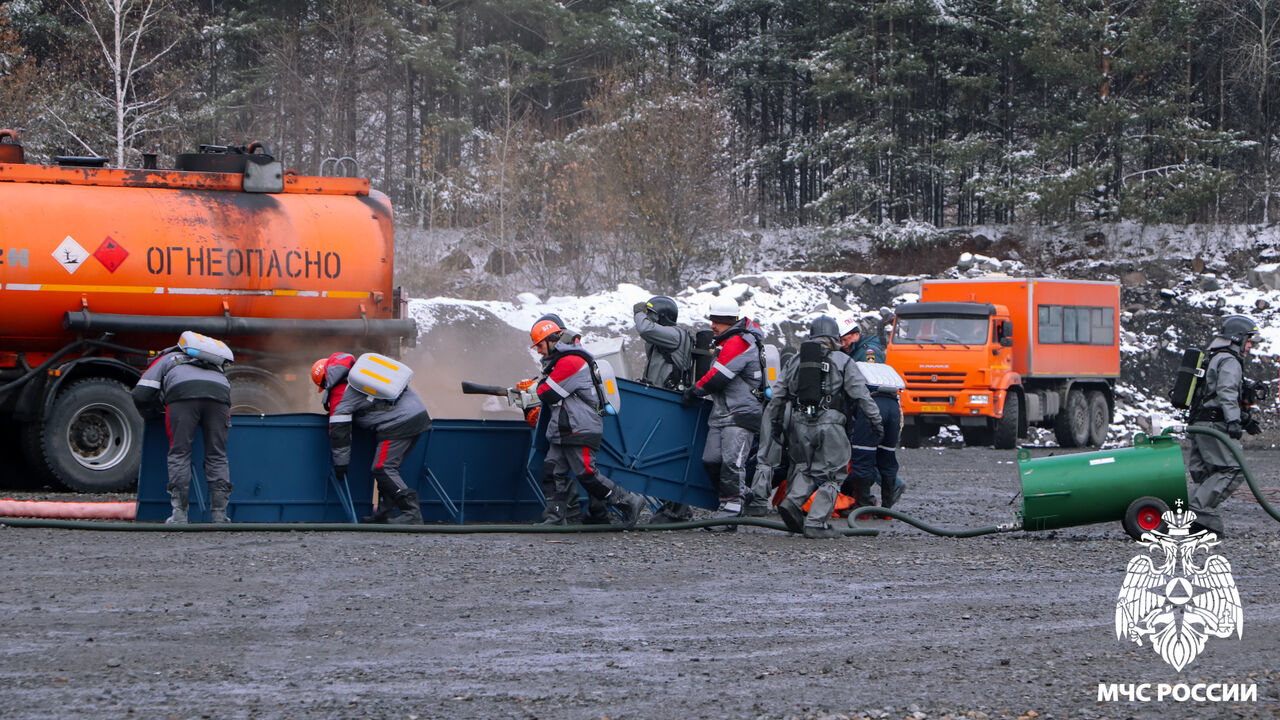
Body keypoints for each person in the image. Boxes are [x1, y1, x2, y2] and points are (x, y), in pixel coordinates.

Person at [756, 316, 882, 538]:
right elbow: (861, 394)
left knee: (806, 468)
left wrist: (774, 424)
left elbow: (778, 396)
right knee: (833, 474)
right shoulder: (842, 360)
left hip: (799, 424)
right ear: (834, 337)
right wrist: (876, 421)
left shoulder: (795, 361)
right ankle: (816, 523)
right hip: (831, 424)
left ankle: (792, 501)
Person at [530, 318, 645, 527]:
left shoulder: (570, 362)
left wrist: (539, 385)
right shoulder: (561, 361)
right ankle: (555, 518)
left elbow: (547, 393)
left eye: (539, 345)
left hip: (578, 428)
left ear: (551, 340)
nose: (538, 350)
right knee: (551, 472)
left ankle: (629, 501)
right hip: (564, 429)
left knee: (586, 474)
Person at [312, 352, 432, 525]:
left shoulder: (340, 392)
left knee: (382, 468)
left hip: (398, 424)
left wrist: (340, 464)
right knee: (388, 468)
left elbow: (339, 432)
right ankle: (384, 513)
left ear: (325, 381)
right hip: (417, 415)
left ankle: (412, 512)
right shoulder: (363, 371)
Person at [132, 331, 234, 524]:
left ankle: (179, 515)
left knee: (180, 452)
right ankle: (220, 516)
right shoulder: (213, 362)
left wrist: (150, 413)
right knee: (217, 454)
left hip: (183, 395)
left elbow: (141, 394)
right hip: (220, 396)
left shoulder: (166, 358)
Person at [684, 296, 768, 528]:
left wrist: (695, 390)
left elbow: (719, 376)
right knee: (711, 460)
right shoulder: (728, 342)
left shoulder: (739, 342)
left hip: (741, 414)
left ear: (730, 321)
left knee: (732, 462)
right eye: (712, 320)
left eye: (718, 321)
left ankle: (731, 512)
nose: (713, 325)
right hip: (722, 414)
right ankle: (741, 496)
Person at [1186, 315, 1260, 537]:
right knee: (1233, 469)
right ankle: (1197, 512)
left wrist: (1245, 419)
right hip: (1213, 424)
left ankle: (1194, 522)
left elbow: (1212, 395)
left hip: (1200, 422)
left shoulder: (1214, 358)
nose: (1250, 345)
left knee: (1207, 474)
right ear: (1237, 338)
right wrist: (1233, 420)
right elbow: (1226, 391)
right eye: (1249, 340)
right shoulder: (1229, 360)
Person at [633, 295, 697, 524]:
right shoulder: (664, 337)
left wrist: (639, 312)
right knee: (654, 456)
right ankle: (673, 508)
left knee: (665, 458)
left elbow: (645, 329)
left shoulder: (674, 335)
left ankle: (677, 511)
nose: (648, 318)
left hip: (670, 403)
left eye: (652, 315)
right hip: (661, 401)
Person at [837, 315, 906, 511]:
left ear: (856, 335)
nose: (843, 345)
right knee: (885, 455)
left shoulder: (867, 353)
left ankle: (864, 505)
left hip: (872, 405)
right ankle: (886, 508)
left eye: (845, 340)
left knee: (862, 455)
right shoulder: (864, 349)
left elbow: (859, 383)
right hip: (890, 406)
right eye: (841, 341)